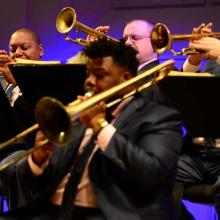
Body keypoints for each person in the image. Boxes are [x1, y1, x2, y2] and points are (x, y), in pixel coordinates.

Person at [0, 38, 183, 220]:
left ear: (126, 79)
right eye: (88, 74)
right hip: (52, 212)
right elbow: (42, 185)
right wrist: (39, 161)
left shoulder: (158, 117)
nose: (89, 81)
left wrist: (100, 126)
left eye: (99, 75)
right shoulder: (78, 117)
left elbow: (152, 175)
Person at [175, 23, 220, 219]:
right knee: (152, 174)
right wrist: (194, 59)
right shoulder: (212, 60)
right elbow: (186, 96)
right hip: (197, 155)